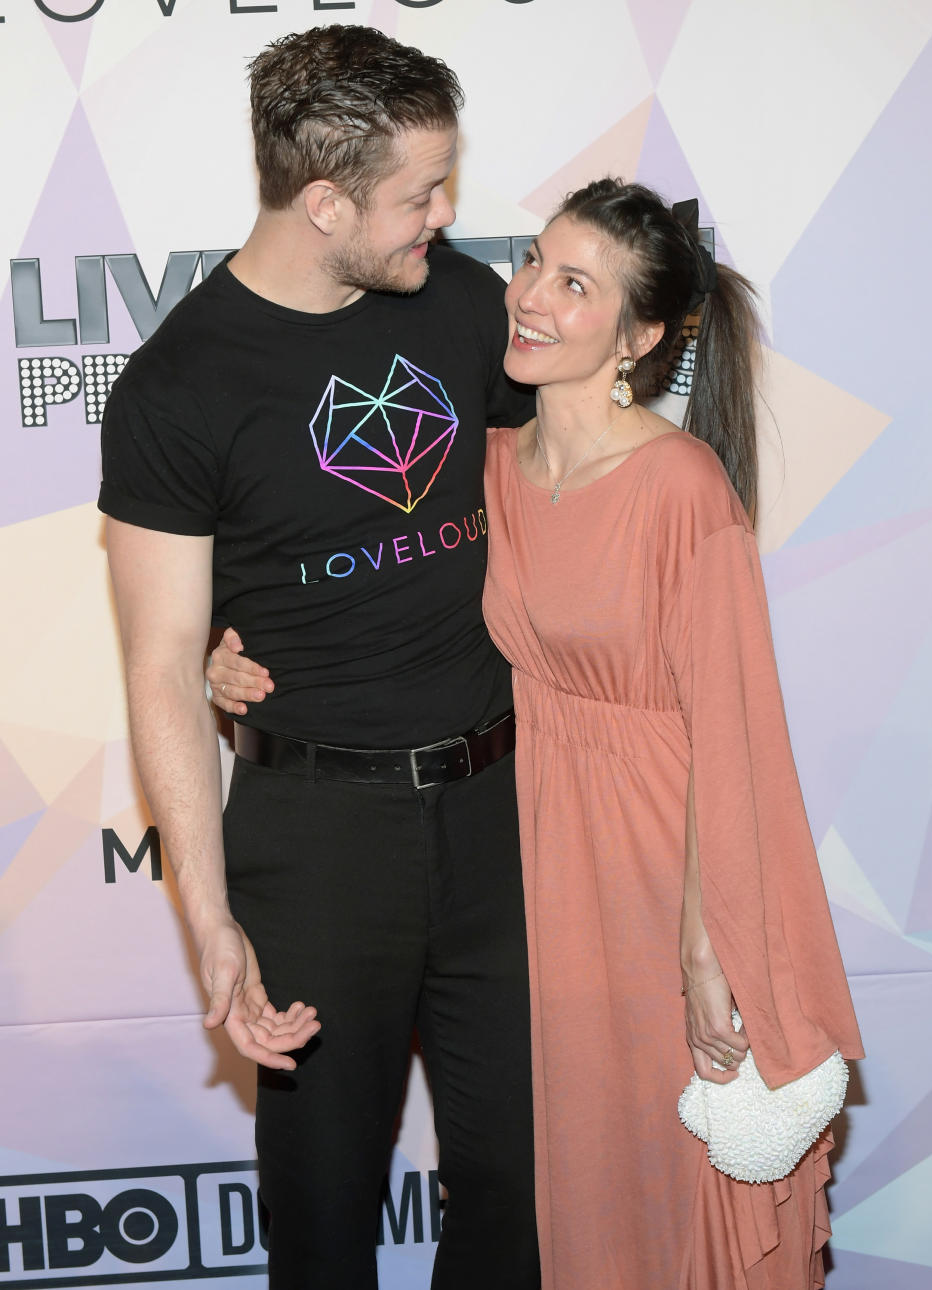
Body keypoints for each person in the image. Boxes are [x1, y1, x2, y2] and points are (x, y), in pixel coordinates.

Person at [213, 179, 864, 1288]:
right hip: (533, 869)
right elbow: (348, 587)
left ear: (640, 335)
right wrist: (219, 654)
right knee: (564, 1175)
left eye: (577, 285)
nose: (530, 299)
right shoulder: (483, 469)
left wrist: (709, 946)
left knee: (667, 1168)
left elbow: (734, 730)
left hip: (666, 865)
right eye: (533, 265)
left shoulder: (681, 487)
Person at [98, 25, 539, 1290]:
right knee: (326, 1206)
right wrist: (211, 918)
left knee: (520, 1192)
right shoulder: (178, 388)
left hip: (506, 811)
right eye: (421, 194)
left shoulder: (456, 301)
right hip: (318, 832)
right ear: (325, 198)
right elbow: (162, 662)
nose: (447, 217)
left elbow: (571, 482)